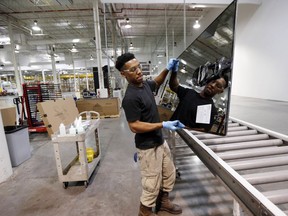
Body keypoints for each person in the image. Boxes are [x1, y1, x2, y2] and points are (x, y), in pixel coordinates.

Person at [115, 52, 184, 216]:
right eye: (132, 70)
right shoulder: (130, 98)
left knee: (169, 173)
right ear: (123, 74)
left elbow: (157, 82)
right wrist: (162, 124)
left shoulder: (144, 85)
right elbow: (134, 126)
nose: (138, 71)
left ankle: (164, 202)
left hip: (159, 140)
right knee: (151, 182)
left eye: (138, 67)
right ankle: (145, 211)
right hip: (147, 147)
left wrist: (167, 69)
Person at [169, 60, 228, 132]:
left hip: (182, 140)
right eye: (212, 82)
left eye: (218, 86)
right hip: (167, 131)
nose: (212, 85)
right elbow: (174, 86)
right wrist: (174, 71)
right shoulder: (189, 93)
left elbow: (202, 130)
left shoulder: (210, 109)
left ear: (220, 91)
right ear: (208, 81)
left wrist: (183, 129)